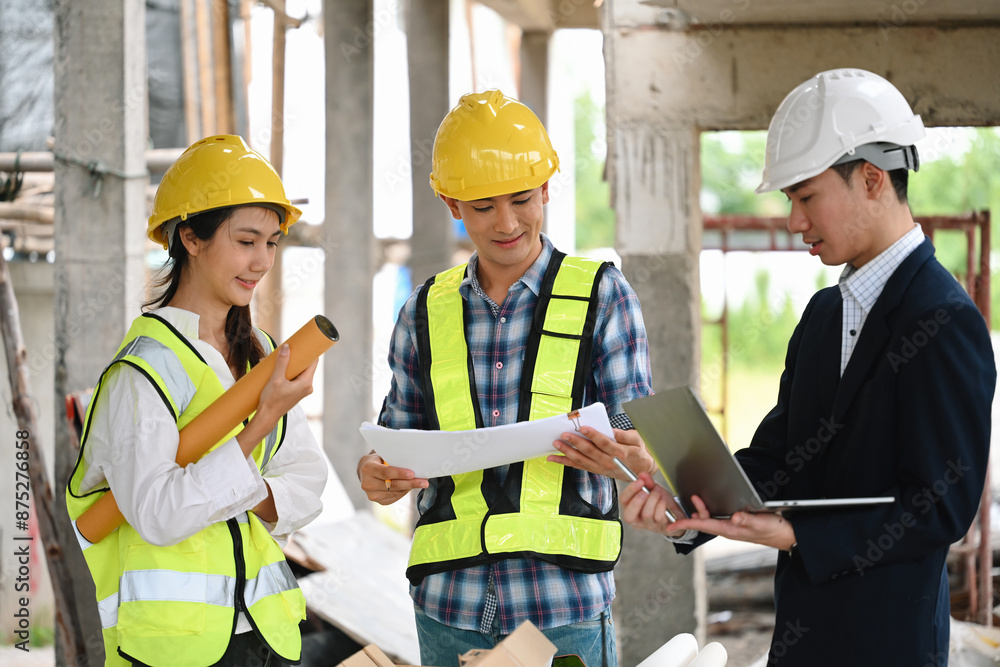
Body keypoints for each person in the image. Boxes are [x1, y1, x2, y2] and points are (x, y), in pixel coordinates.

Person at [615, 68, 996, 665]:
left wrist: (797, 535)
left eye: (805, 197)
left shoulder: (943, 320)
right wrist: (685, 509)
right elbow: (775, 463)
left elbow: (941, 507)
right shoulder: (824, 314)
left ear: (871, 179)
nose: (794, 221)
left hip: (889, 647)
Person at [357, 89, 655, 666]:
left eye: (522, 199)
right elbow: (399, 434)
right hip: (449, 607)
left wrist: (630, 458)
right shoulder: (423, 310)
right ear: (451, 204)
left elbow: (640, 439)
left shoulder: (603, 295)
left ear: (546, 189)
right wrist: (378, 474)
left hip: (561, 607)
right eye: (482, 207)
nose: (507, 222)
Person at [66, 135, 328, 666]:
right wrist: (259, 428)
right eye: (246, 240)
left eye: (273, 242)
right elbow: (159, 514)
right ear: (190, 237)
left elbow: (307, 484)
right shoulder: (142, 371)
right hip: (173, 648)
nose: (262, 261)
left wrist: (229, 485)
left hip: (264, 635)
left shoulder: (263, 355)